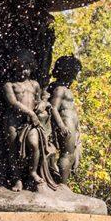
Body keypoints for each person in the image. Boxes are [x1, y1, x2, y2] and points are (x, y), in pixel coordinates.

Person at [3, 50, 59, 190]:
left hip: (30, 122)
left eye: (27, 68)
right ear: (15, 67)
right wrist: (31, 113)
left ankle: (33, 171)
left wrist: (42, 104)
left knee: (34, 144)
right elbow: (13, 103)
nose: (24, 71)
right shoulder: (9, 85)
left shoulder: (34, 84)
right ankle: (17, 180)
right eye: (21, 68)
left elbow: (39, 99)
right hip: (14, 121)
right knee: (13, 150)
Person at [47, 55, 82, 185]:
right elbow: (54, 108)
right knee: (67, 154)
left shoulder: (64, 88)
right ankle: (63, 184)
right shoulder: (60, 89)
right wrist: (61, 126)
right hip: (66, 122)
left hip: (71, 123)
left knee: (70, 154)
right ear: (69, 71)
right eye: (76, 71)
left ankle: (63, 183)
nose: (77, 75)